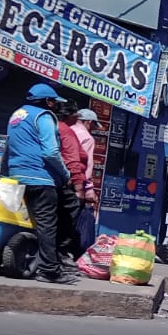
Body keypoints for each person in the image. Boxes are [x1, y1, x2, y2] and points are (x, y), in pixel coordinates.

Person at [2, 84, 76, 282]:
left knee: (27, 222)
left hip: (17, 175)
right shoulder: (44, 116)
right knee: (47, 226)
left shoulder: (17, 115)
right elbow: (51, 152)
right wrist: (66, 173)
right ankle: (49, 271)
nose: (54, 105)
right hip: (40, 178)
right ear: (47, 101)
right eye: (53, 102)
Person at [55, 112, 89, 258]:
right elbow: (72, 160)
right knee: (68, 215)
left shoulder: (54, 127)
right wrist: (80, 187)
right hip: (63, 180)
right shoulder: (67, 131)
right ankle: (59, 253)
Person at [69, 108, 99, 252]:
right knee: (74, 220)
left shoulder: (67, 130)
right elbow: (86, 166)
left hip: (60, 180)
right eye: (93, 124)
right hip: (77, 184)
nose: (93, 128)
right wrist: (89, 189)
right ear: (88, 122)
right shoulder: (87, 138)